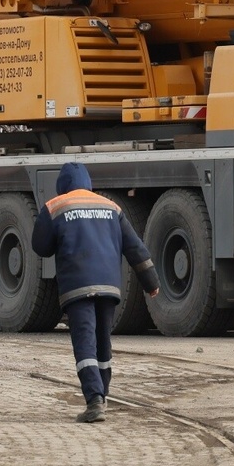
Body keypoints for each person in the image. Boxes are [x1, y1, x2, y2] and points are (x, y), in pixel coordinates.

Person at [32, 163, 159, 423]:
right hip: (108, 287)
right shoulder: (111, 207)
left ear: (62, 184)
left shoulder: (56, 206)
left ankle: (94, 401)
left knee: (85, 343)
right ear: (88, 182)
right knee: (103, 342)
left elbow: (41, 247)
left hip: (77, 287)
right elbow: (135, 248)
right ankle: (102, 395)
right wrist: (151, 282)